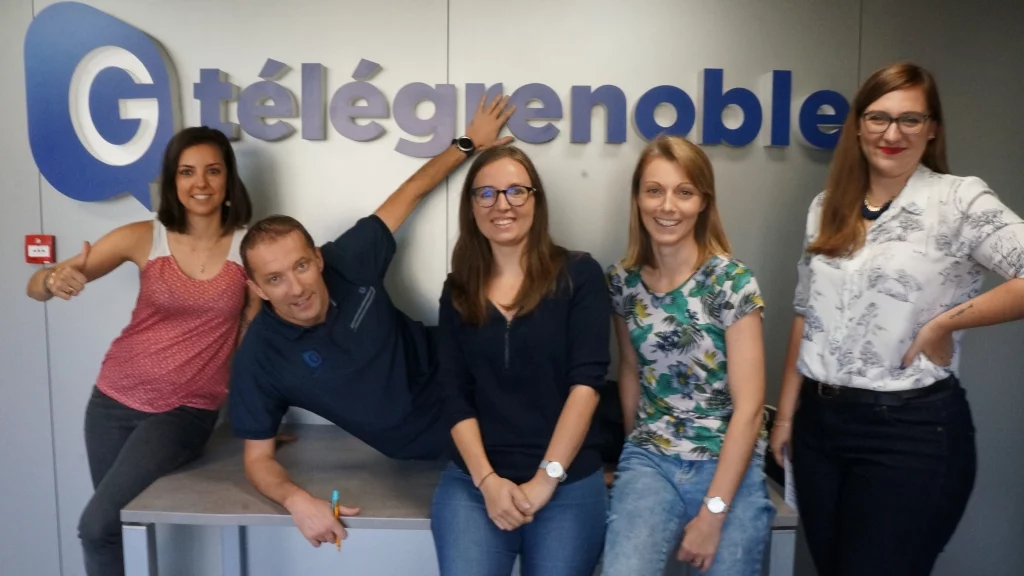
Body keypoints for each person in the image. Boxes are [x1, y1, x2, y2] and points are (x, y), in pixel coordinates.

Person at [769, 62, 1024, 576]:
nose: (892, 134)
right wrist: (788, 416)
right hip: (819, 428)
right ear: (858, 126)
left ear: (932, 129)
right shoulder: (827, 206)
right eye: (878, 118)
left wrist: (945, 323)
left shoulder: (957, 200)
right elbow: (806, 313)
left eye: (910, 119)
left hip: (909, 432)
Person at [229, 95, 515, 549]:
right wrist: (297, 500)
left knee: (581, 395)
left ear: (317, 258)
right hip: (434, 440)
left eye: (301, 266)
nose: (296, 288)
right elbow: (257, 459)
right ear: (258, 289)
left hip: (465, 367)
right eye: (275, 279)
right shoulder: (260, 355)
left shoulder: (349, 258)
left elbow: (411, 192)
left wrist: (467, 144)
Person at [25, 127, 257, 576]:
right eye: (187, 172)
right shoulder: (145, 236)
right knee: (113, 528)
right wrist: (52, 280)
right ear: (173, 181)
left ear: (229, 179)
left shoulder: (247, 249)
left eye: (213, 171)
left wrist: (259, 421)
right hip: (111, 403)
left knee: (95, 526)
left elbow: (254, 341)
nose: (201, 183)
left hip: (185, 411)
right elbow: (36, 286)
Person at [428, 145, 610, 575]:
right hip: (475, 483)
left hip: (567, 482)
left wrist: (547, 477)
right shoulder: (457, 290)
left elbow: (586, 385)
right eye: (486, 193)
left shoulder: (579, 275)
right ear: (472, 206)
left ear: (535, 200)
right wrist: (487, 481)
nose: (502, 204)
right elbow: (453, 394)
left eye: (515, 191)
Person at [602, 135, 775, 575]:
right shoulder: (622, 282)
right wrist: (634, 450)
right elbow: (630, 370)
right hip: (651, 458)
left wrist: (714, 512)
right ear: (638, 198)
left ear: (703, 202)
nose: (667, 206)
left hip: (727, 461)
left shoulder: (732, 282)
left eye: (684, 192)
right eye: (654, 190)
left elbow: (751, 407)